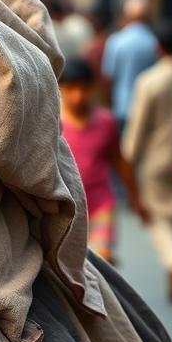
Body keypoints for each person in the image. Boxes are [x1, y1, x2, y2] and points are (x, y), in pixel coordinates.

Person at [122, 22, 172, 298]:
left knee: (157, 217)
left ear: (158, 48)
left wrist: (129, 164)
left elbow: (136, 130)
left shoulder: (149, 81)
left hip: (156, 160)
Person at [59, 58, 145, 262]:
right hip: (65, 207)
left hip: (100, 203)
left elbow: (119, 161)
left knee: (100, 259)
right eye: (71, 88)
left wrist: (135, 197)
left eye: (83, 88)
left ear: (92, 88)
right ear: (61, 88)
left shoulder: (106, 122)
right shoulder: (54, 123)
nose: (78, 96)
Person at [102, 0, 158, 134]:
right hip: (149, 108)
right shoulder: (154, 42)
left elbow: (108, 77)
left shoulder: (116, 41)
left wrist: (111, 103)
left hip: (122, 106)